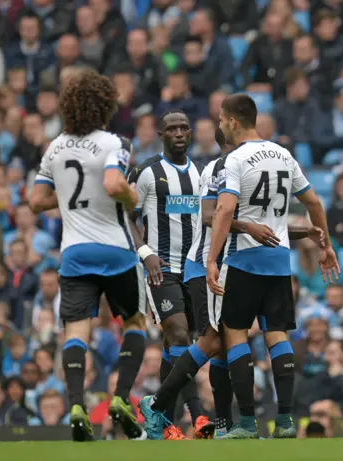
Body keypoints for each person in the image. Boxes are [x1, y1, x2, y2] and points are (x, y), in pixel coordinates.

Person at [205, 94, 340, 439]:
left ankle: (247, 423)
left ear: (233, 121)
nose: (220, 125)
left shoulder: (235, 159)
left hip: (245, 258)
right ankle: (284, 421)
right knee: (277, 335)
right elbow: (313, 201)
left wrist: (211, 259)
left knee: (235, 334)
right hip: (280, 261)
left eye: (221, 120)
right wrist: (325, 245)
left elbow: (223, 211)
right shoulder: (284, 154)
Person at [28, 69, 146, 442]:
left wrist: (66, 199)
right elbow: (113, 184)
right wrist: (132, 197)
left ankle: (77, 403)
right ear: (104, 105)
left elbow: (35, 202)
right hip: (115, 249)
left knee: (77, 332)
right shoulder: (115, 142)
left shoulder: (55, 146)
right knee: (135, 324)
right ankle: (121, 399)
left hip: (74, 251)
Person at [127, 109, 212, 440]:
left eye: (183, 128)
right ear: (161, 135)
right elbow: (127, 217)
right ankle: (199, 415)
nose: (178, 133)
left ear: (190, 133)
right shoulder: (146, 173)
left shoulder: (202, 175)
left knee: (177, 345)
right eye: (171, 129)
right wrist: (145, 252)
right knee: (178, 334)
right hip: (160, 269)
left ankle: (159, 415)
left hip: (193, 269)